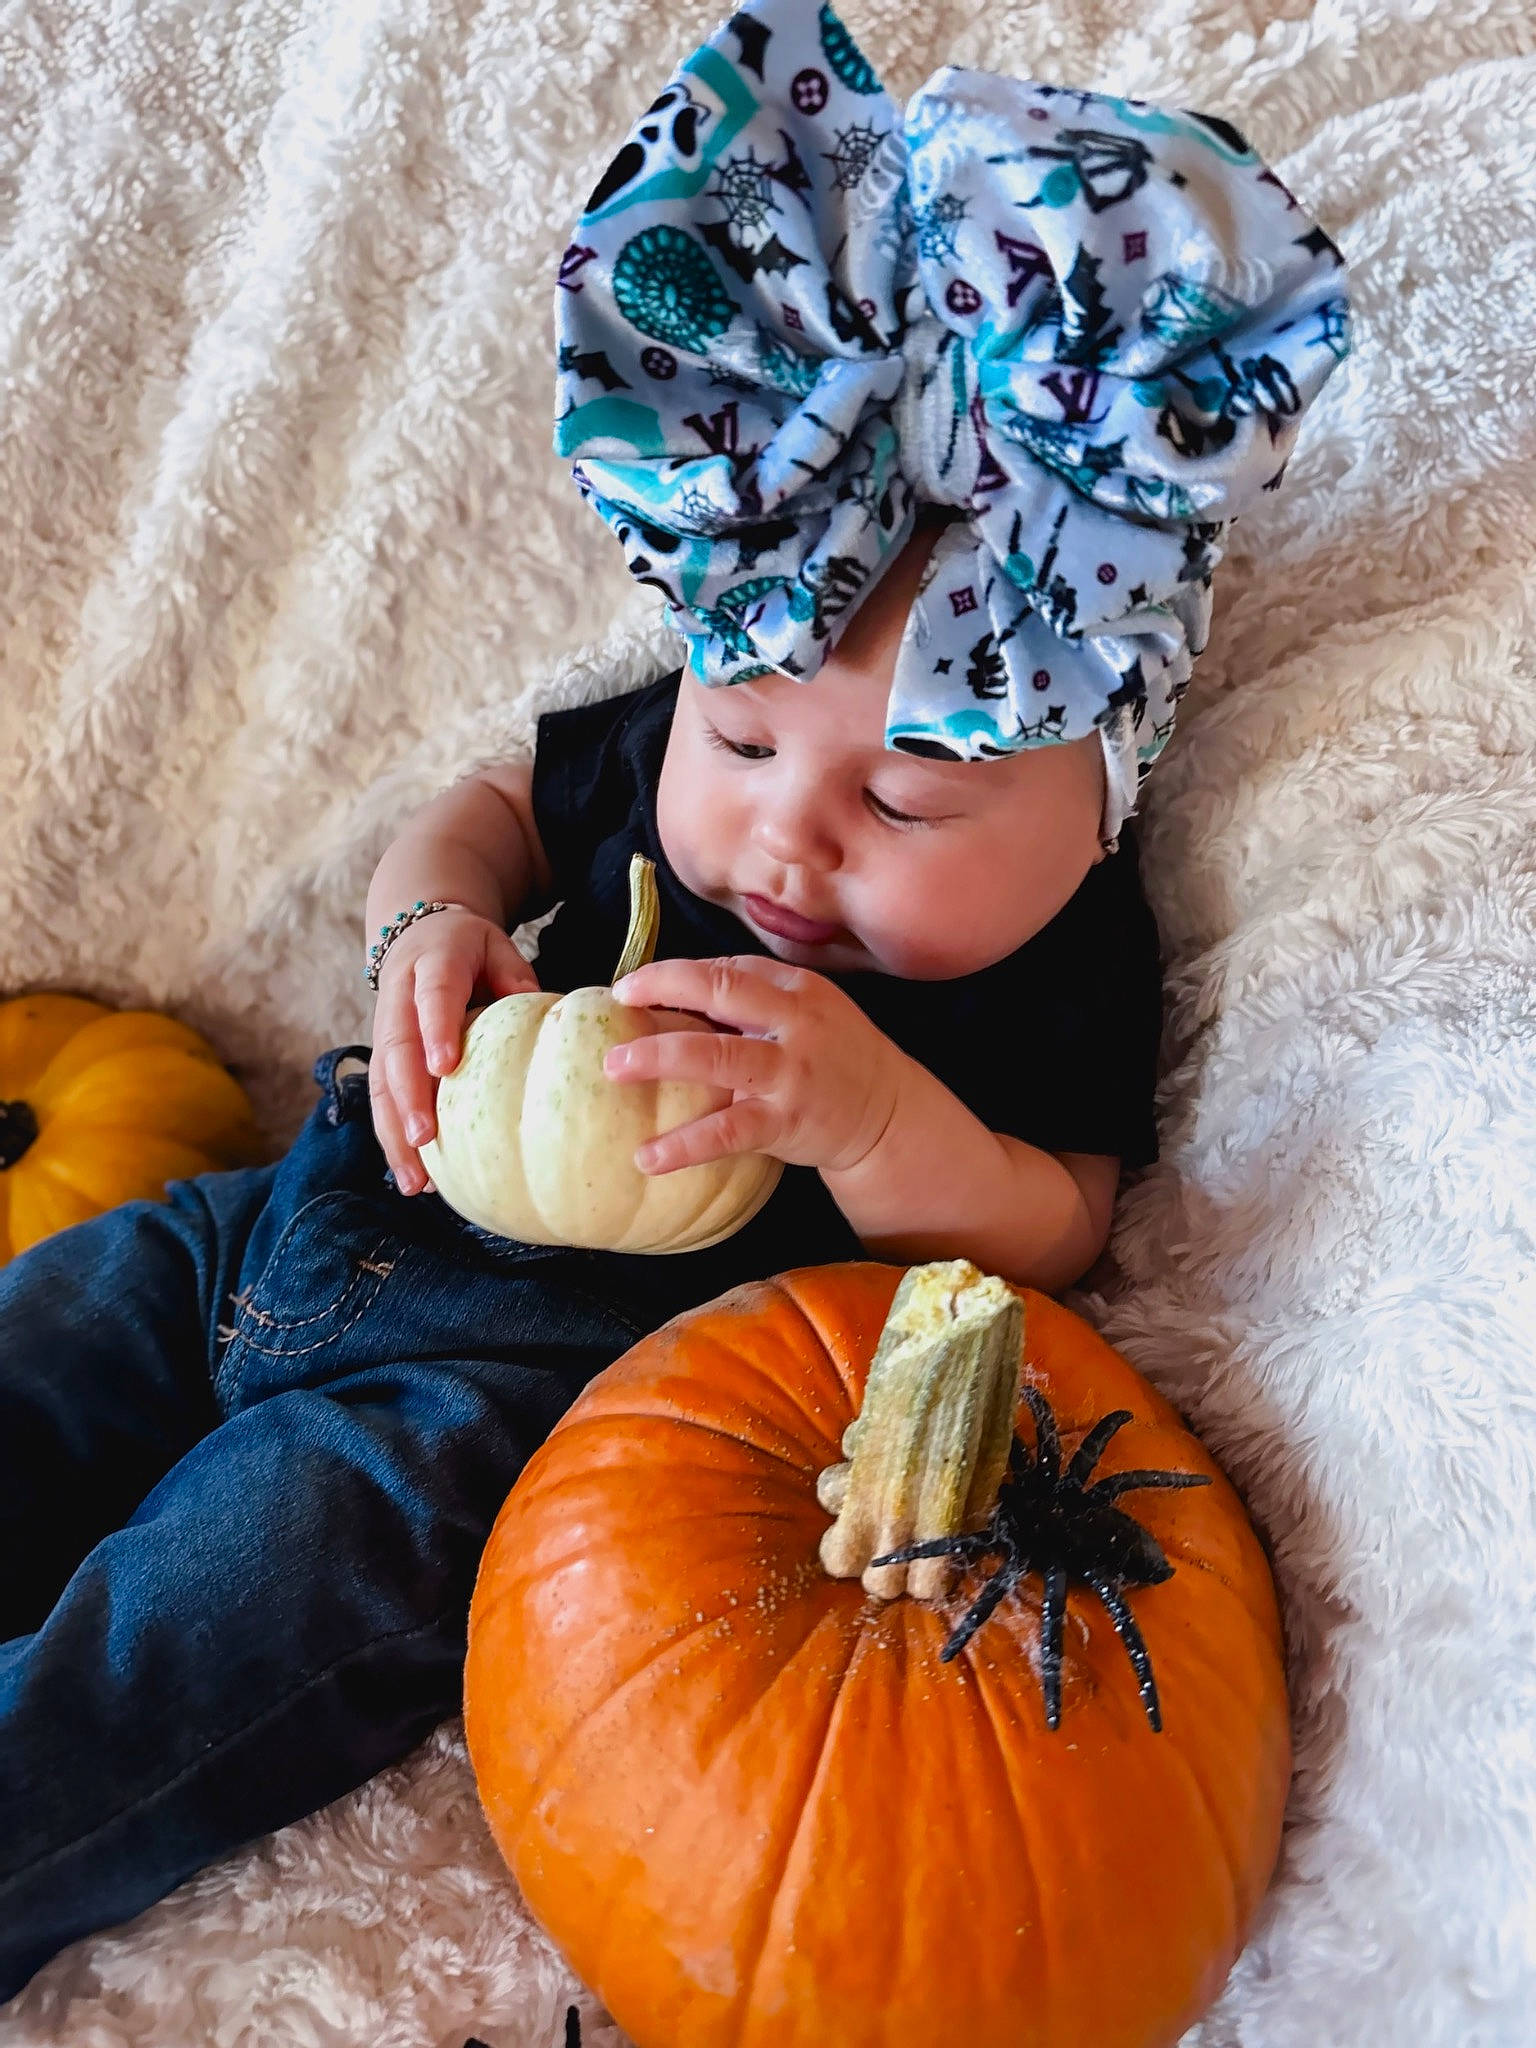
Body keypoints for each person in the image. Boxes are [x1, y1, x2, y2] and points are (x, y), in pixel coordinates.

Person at [0, 0, 1349, 2002]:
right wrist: (423, 936)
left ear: (1096, 796)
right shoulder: (679, 763)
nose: (787, 838)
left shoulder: (1062, 956)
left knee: (207, 1633)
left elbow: (1060, 1221)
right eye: (741, 735)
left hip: (487, 1414)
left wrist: (881, 1128)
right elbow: (472, 817)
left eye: (905, 793)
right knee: (39, 1354)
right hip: (284, 1215)